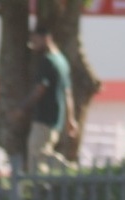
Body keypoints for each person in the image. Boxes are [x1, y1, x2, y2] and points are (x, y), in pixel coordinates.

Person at [10, 24, 77, 173]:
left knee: (36, 153)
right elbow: (68, 93)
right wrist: (70, 119)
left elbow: (39, 89)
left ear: (46, 38)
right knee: (41, 157)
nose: (32, 45)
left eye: (35, 41)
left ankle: (70, 169)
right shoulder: (62, 61)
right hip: (56, 119)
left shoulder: (48, 61)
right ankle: (43, 190)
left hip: (44, 117)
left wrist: (22, 108)